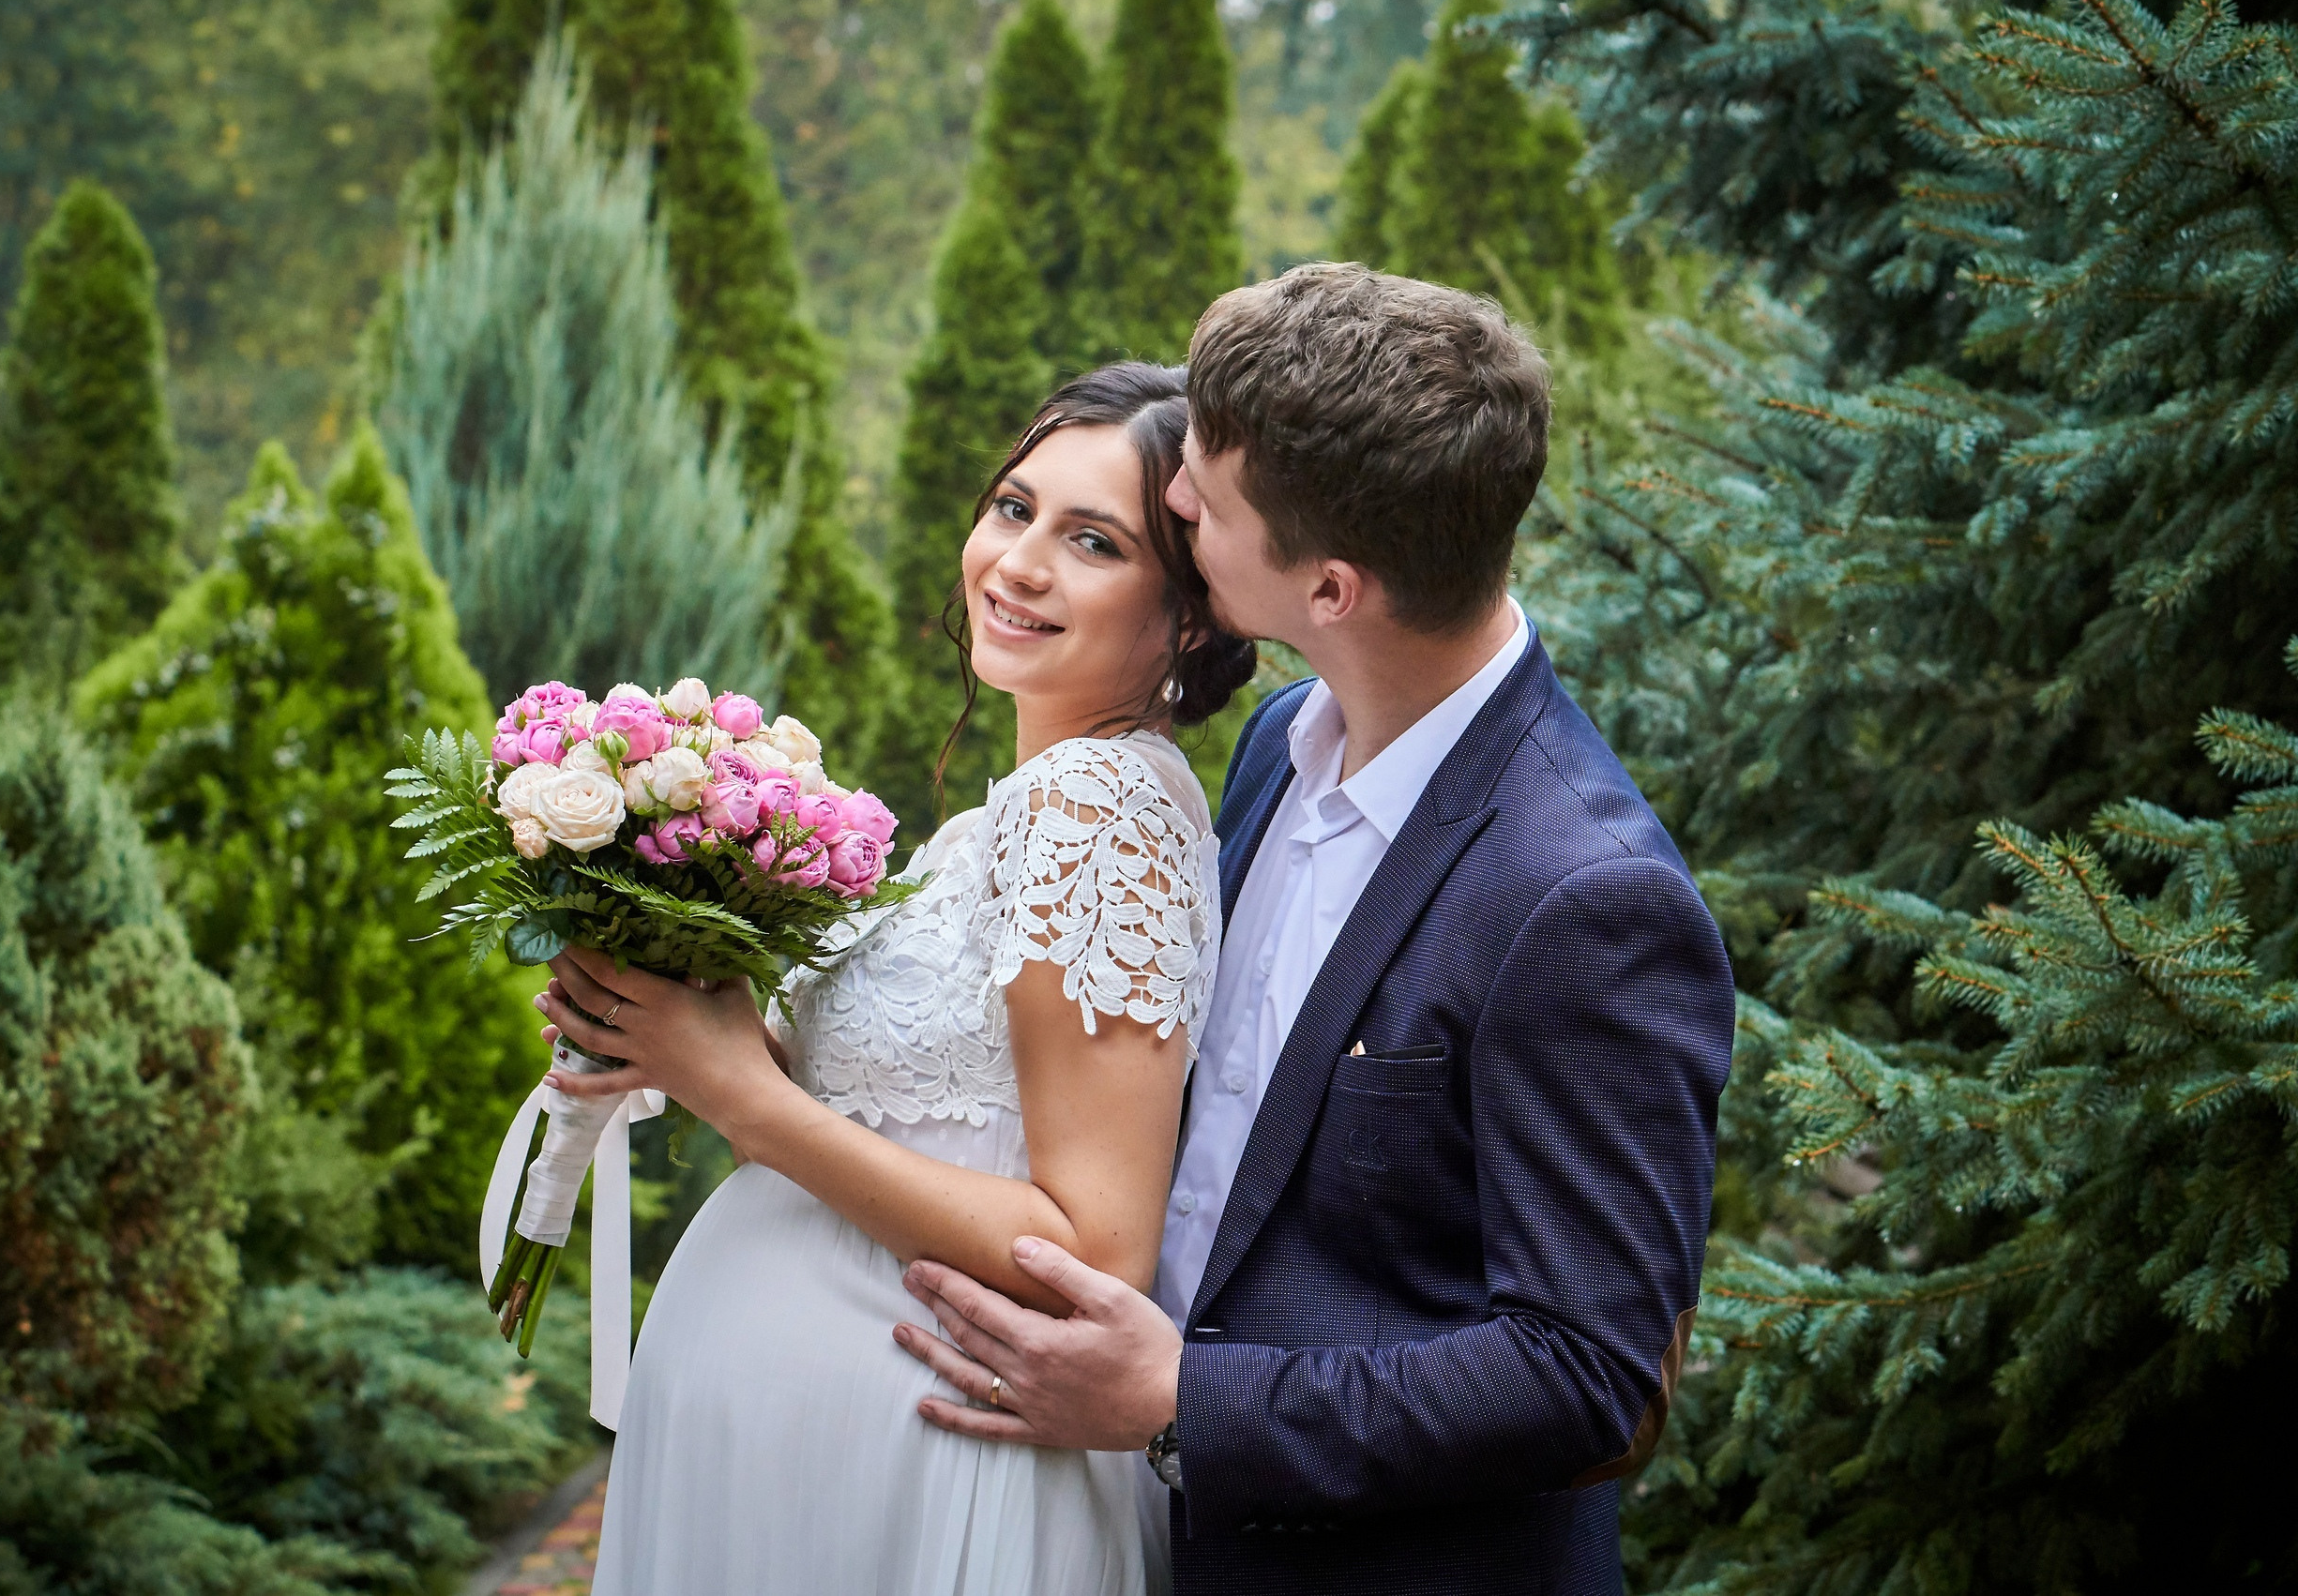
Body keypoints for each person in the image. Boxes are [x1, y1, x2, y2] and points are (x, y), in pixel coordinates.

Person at [893, 263, 1736, 1594]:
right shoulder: (1281, 745)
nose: (1173, 496)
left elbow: (1592, 1377)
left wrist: (1189, 1399)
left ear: (1331, 590)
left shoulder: (1585, 899)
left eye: (1207, 502)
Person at [537, 363, 1255, 1595]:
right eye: (1014, 508)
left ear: (1192, 615)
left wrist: (739, 1098)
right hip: (811, 1453)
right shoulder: (1001, 820)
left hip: (922, 1470)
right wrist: (672, 1003)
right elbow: (923, 1112)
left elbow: (1091, 1244)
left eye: (1094, 542)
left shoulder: (1096, 804)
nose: (1020, 563)